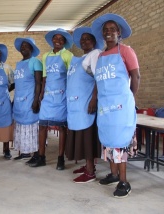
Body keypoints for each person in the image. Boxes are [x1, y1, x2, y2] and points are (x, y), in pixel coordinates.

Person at [92, 13, 140, 198]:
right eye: (106, 30)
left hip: (121, 105)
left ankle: (123, 181)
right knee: (108, 139)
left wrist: (131, 99)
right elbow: (98, 82)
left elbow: (135, 76)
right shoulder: (102, 56)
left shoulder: (126, 51)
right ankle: (113, 174)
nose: (109, 32)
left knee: (120, 141)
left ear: (119, 33)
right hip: (105, 106)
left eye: (113, 29)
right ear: (103, 35)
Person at [29, 29, 73, 169]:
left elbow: (71, 76)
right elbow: (44, 78)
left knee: (61, 127)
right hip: (48, 96)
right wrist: (41, 94)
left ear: (64, 41)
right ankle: (41, 156)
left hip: (61, 96)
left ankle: (61, 158)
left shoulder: (68, 55)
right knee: (42, 126)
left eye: (61, 39)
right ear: (52, 40)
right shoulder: (46, 56)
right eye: (56, 38)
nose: (58, 41)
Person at [64, 27, 104, 182]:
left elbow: (98, 78)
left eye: (88, 39)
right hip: (76, 105)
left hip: (86, 104)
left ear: (94, 42)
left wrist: (94, 98)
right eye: (82, 39)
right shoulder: (78, 59)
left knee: (87, 138)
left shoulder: (95, 54)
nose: (84, 41)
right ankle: (89, 166)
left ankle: (90, 172)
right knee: (80, 137)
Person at [12, 37, 42, 161]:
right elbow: (17, 83)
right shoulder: (19, 64)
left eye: (26, 45)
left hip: (30, 99)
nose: (23, 47)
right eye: (22, 46)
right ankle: (24, 152)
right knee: (21, 127)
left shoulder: (36, 62)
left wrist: (36, 101)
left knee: (32, 127)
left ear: (31, 48)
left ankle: (36, 154)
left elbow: (39, 83)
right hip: (19, 101)